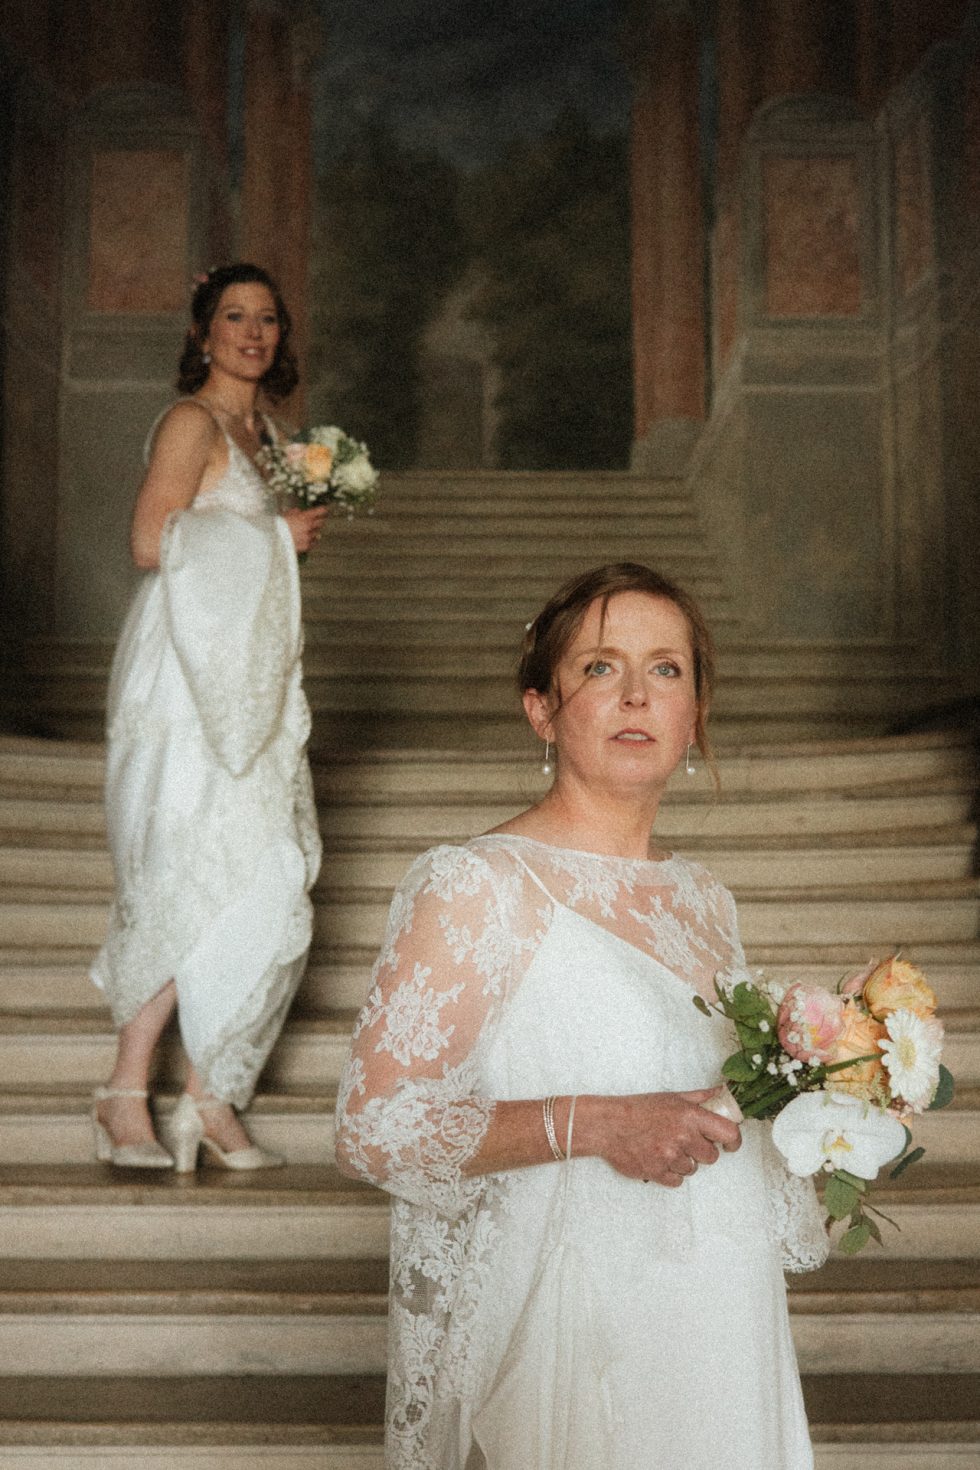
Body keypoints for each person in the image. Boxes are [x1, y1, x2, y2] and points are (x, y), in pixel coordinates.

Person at [335, 562, 829, 1469]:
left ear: (696, 712)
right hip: (573, 1327)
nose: (637, 693)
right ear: (543, 711)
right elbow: (376, 1129)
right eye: (601, 667)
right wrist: (600, 1123)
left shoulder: (702, 898)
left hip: (718, 1315)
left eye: (667, 669)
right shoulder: (478, 883)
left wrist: (832, 1103)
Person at [90, 263, 327, 1171]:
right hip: (185, 678)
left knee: (265, 877)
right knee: (189, 869)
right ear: (202, 333)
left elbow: (259, 567)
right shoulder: (192, 422)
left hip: (251, 675)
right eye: (234, 316)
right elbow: (152, 541)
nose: (252, 333)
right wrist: (275, 538)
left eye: (267, 318)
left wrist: (289, 541)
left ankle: (209, 1093)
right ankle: (123, 1090)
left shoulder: (272, 432)